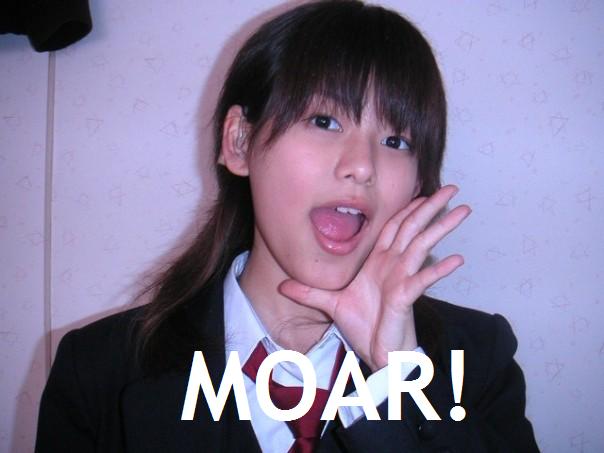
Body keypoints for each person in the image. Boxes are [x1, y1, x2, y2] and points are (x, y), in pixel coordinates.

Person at [35, 1, 539, 452]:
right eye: (324, 121)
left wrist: (399, 383)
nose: (362, 166)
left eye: (397, 141)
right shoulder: (98, 369)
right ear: (239, 142)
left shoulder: (478, 358)